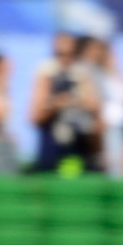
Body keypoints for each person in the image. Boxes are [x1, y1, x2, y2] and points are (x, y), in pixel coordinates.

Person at [28, 31, 99, 173]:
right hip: (52, 153)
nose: (65, 59)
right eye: (60, 54)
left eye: (70, 54)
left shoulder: (81, 72)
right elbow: (34, 117)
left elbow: (95, 109)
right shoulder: (46, 73)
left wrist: (77, 100)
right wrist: (56, 104)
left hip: (78, 152)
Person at [84, 38, 123, 176]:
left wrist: (116, 70)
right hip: (108, 126)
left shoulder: (116, 76)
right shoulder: (90, 72)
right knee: (114, 166)